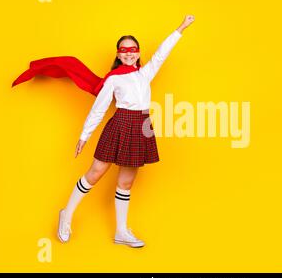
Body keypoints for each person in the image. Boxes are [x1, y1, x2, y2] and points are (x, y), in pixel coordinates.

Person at [55, 15, 195, 248]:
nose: (129, 53)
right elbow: (98, 109)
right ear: (118, 55)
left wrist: (181, 28)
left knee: (126, 182)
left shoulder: (145, 73)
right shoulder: (112, 80)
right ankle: (66, 215)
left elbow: (161, 53)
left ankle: (121, 231)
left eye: (133, 49)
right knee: (96, 173)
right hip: (120, 124)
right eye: (124, 50)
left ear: (138, 53)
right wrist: (84, 135)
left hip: (141, 127)